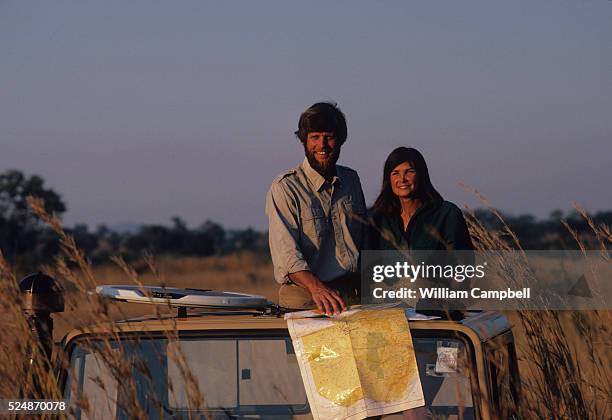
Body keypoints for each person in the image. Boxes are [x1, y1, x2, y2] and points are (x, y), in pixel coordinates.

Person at [266, 102, 367, 315]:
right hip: (306, 300)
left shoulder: (351, 180)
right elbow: (287, 256)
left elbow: (364, 240)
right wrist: (316, 288)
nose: (322, 145)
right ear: (304, 141)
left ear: (340, 140)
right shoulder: (286, 187)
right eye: (315, 137)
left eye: (329, 137)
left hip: (351, 297)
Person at [369, 146, 473, 252]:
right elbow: (367, 264)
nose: (402, 179)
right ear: (388, 179)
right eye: (395, 173)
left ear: (421, 175)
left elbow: (462, 264)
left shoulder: (447, 214)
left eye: (409, 172)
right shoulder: (377, 219)